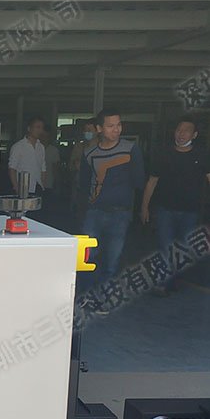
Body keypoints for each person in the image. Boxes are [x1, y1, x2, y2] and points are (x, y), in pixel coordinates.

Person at [80, 108, 145, 306]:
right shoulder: (89, 153)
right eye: (110, 126)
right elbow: (83, 184)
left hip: (120, 213)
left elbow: (139, 181)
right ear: (99, 128)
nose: (116, 129)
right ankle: (86, 297)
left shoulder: (131, 149)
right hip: (94, 211)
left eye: (118, 125)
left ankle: (104, 299)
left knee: (112, 259)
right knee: (88, 257)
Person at [141, 116, 210, 294]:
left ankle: (172, 280)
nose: (181, 134)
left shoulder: (202, 155)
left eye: (186, 131)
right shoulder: (163, 154)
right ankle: (165, 283)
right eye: (179, 130)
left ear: (194, 135)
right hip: (165, 210)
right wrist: (144, 207)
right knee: (165, 245)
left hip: (190, 211)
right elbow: (152, 181)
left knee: (182, 248)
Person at [8, 116, 46, 195]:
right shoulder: (18, 146)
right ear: (29, 128)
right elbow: (12, 169)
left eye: (42, 128)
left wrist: (43, 185)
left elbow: (43, 168)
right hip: (23, 188)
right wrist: (17, 188)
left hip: (38, 186)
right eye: (37, 127)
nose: (40, 130)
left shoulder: (41, 147)